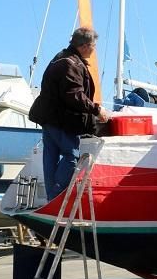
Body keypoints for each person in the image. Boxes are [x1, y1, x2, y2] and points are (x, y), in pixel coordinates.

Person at [28, 27, 109, 200]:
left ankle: (51, 195)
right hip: (62, 120)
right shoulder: (71, 63)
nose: (94, 50)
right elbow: (74, 95)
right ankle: (56, 196)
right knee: (71, 156)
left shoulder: (60, 58)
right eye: (94, 46)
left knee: (50, 155)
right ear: (85, 46)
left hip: (49, 118)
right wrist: (97, 109)